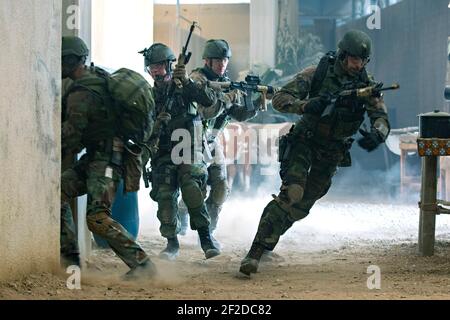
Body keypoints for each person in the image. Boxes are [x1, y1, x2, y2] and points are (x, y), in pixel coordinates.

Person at [239, 30, 391, 276]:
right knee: (292, 193)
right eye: (354, 59)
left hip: (331, 152)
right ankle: (254, 253)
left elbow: (380, 116)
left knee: (302, 206)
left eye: (362, 60)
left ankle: (269, 239)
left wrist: (378, 133)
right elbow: (280, 98)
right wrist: (307, 105)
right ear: (343, 56)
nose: (358, 64)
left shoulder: (366, 86)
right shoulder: (317, 74)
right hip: (304, 143)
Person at [60, 36, 156, 278]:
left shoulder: (82, 91)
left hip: (106, 161)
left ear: (70, 60)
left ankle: (142, 265)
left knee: (97, 217)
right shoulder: (99, 77)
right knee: (57, 192)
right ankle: (70, 261)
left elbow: (71, 136)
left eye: (61, 60)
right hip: (99, 158)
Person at [140, 43, 221, 260]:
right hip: (163, 154)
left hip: (189, 149)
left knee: (191, 189)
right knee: (165, 196)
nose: (156, 71)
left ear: (168, 65)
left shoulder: (185, 87)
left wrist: (186, 82)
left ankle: (206, 238)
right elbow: (142, 129)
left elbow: (209, 100)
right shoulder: (148, 95)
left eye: (159, 66)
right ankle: (172, 243)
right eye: (152, 67)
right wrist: (156, 124)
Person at [177, 39, 259, 248]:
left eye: (225, 60)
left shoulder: (226, 82)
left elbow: (238, 114)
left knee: (222, 186)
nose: (223, 64)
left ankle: (209, 232)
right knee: (197, 187)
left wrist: (255, 103)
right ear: (207, 61)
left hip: (212, 142)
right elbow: (206, 111)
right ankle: (183, 212)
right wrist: (229, 98)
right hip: (193, 141)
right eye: (218, 60)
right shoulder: (197, 80)